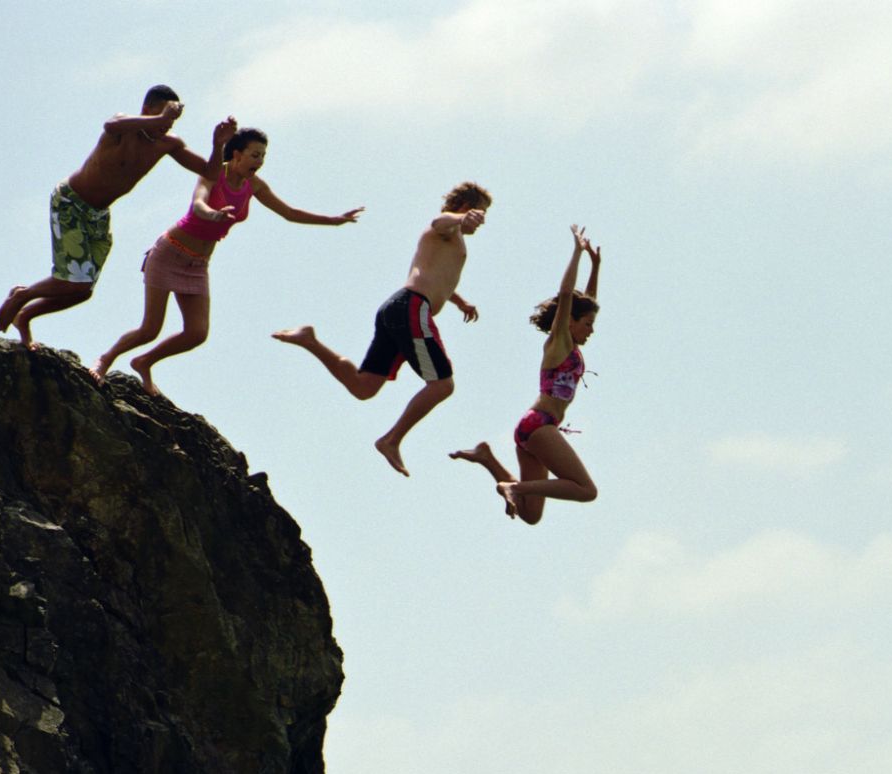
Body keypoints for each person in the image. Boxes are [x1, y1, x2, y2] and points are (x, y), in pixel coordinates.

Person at [91, 128, 361, 395]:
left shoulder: (253, 185)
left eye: (263, 156)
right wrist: (212, 214)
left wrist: (334, 220)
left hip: (197, 265)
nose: (260, 162)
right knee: (150, 328)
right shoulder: (214, 172)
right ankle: (104, 359)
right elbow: (198, 203)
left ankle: (144, 362)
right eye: (255, 155)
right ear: (236, 154)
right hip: (170, 252)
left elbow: (289, 212)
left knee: (197, 333)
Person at [272, 182, 492, 476]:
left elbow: (437, 275)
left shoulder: (451, 242)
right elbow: (440, 221)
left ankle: (310, 340)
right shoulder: (445, 228)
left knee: (364, 388)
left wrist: (459, 301)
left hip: (399, 309)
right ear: (466, 208)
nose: (482, 221)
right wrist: (460, 219)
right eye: (481, 213)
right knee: (442, 384)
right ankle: (391, 440)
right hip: (412, 308)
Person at [0, 87, 235, 348]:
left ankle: (26, 314)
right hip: (71, 202)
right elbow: (110, 123)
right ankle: (23, 295)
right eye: (163, 115)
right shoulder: (125, 128)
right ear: (147, 110)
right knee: (71, 280)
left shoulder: (168, 143)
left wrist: (218, 144)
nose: (167, 125)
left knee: (81, 291)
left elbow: (210, 173)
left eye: (172, 120)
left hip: (98, 215)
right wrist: (160, 118)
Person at [449, 225, 601, 525]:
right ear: (569, 322)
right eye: (587, 324)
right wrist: (576, 253)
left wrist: (595, 266)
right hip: (540, 426)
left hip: (532, 427)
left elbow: (585, 302)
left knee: (531, 515)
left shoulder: (572, 340)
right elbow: (568, 296)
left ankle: (487, 459)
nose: (591, 330)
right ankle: (512, 486)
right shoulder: (559, 341)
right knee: (586, 490)